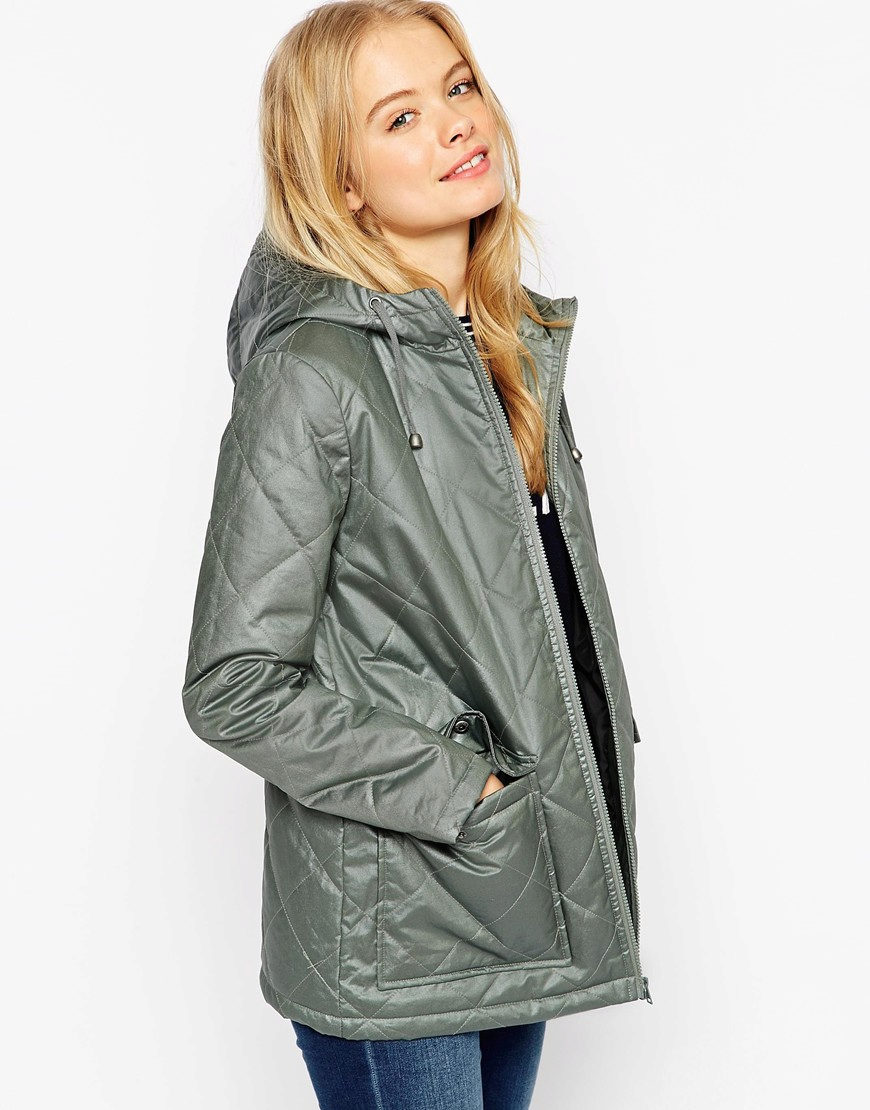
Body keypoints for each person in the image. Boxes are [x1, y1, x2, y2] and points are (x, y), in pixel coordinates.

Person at [181, 2, 651, 1106]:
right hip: (401, 916)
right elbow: (233, 684)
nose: (454, 123)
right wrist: (466, 790)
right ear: (339, 178)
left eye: (458, 86)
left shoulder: (506, 344)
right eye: (399, 116)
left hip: (512, 878)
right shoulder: (314, 372)